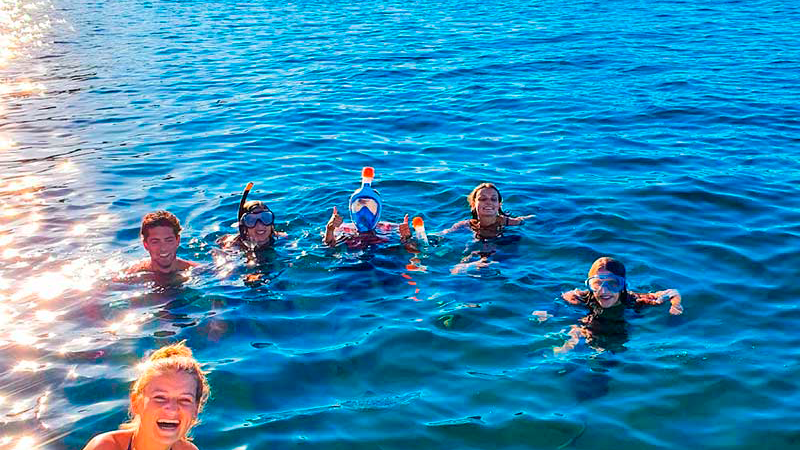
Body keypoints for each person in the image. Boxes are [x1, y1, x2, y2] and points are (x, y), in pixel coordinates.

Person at [81, 341, 210, 450]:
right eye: (160, 397)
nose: (172, 409)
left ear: (196, 410)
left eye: (185, 399)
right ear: (136, 403)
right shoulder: (104, 447)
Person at [545, 257, 683, 355]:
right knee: (574, 338)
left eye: (613, 283)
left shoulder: (634, 300)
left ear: (622, 285)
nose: (604, 291)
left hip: (618, 329)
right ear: (590, 285)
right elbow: (561, 297)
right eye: (597, 283)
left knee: (613, 352)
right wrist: (549, 311)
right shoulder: (582, 297)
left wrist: (676, 306)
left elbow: (672, 292)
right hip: (589, 324)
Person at [323, 167, 412, 249]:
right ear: (351, 209)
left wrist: (406, 238)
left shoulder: (390, 228)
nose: (364, 211)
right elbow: (329, 248)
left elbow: (412, 250)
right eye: (359, 205)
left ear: (378, 211)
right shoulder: (342, 229)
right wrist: (329, 229)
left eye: (370, 206)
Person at [442, 183, 533, 240]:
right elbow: (444, 235)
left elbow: (530, 219)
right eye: (483, 199)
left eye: (493, 199)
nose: (489, 202)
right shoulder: (464, 225)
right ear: (473, 204)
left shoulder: (511, 223)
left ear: (499, 205)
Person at [218, 182, 285, 252]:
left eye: (265, 218)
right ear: (244, 225)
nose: (260, 225)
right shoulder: (232, 244)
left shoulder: (281, 237)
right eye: (251, 220)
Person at [127, 211, 198, 274]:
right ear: (146, 245)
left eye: (169, 240)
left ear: (178, 241)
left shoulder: (196, 271)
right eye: (155, 242)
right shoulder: (131, 276)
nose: (163, 248)